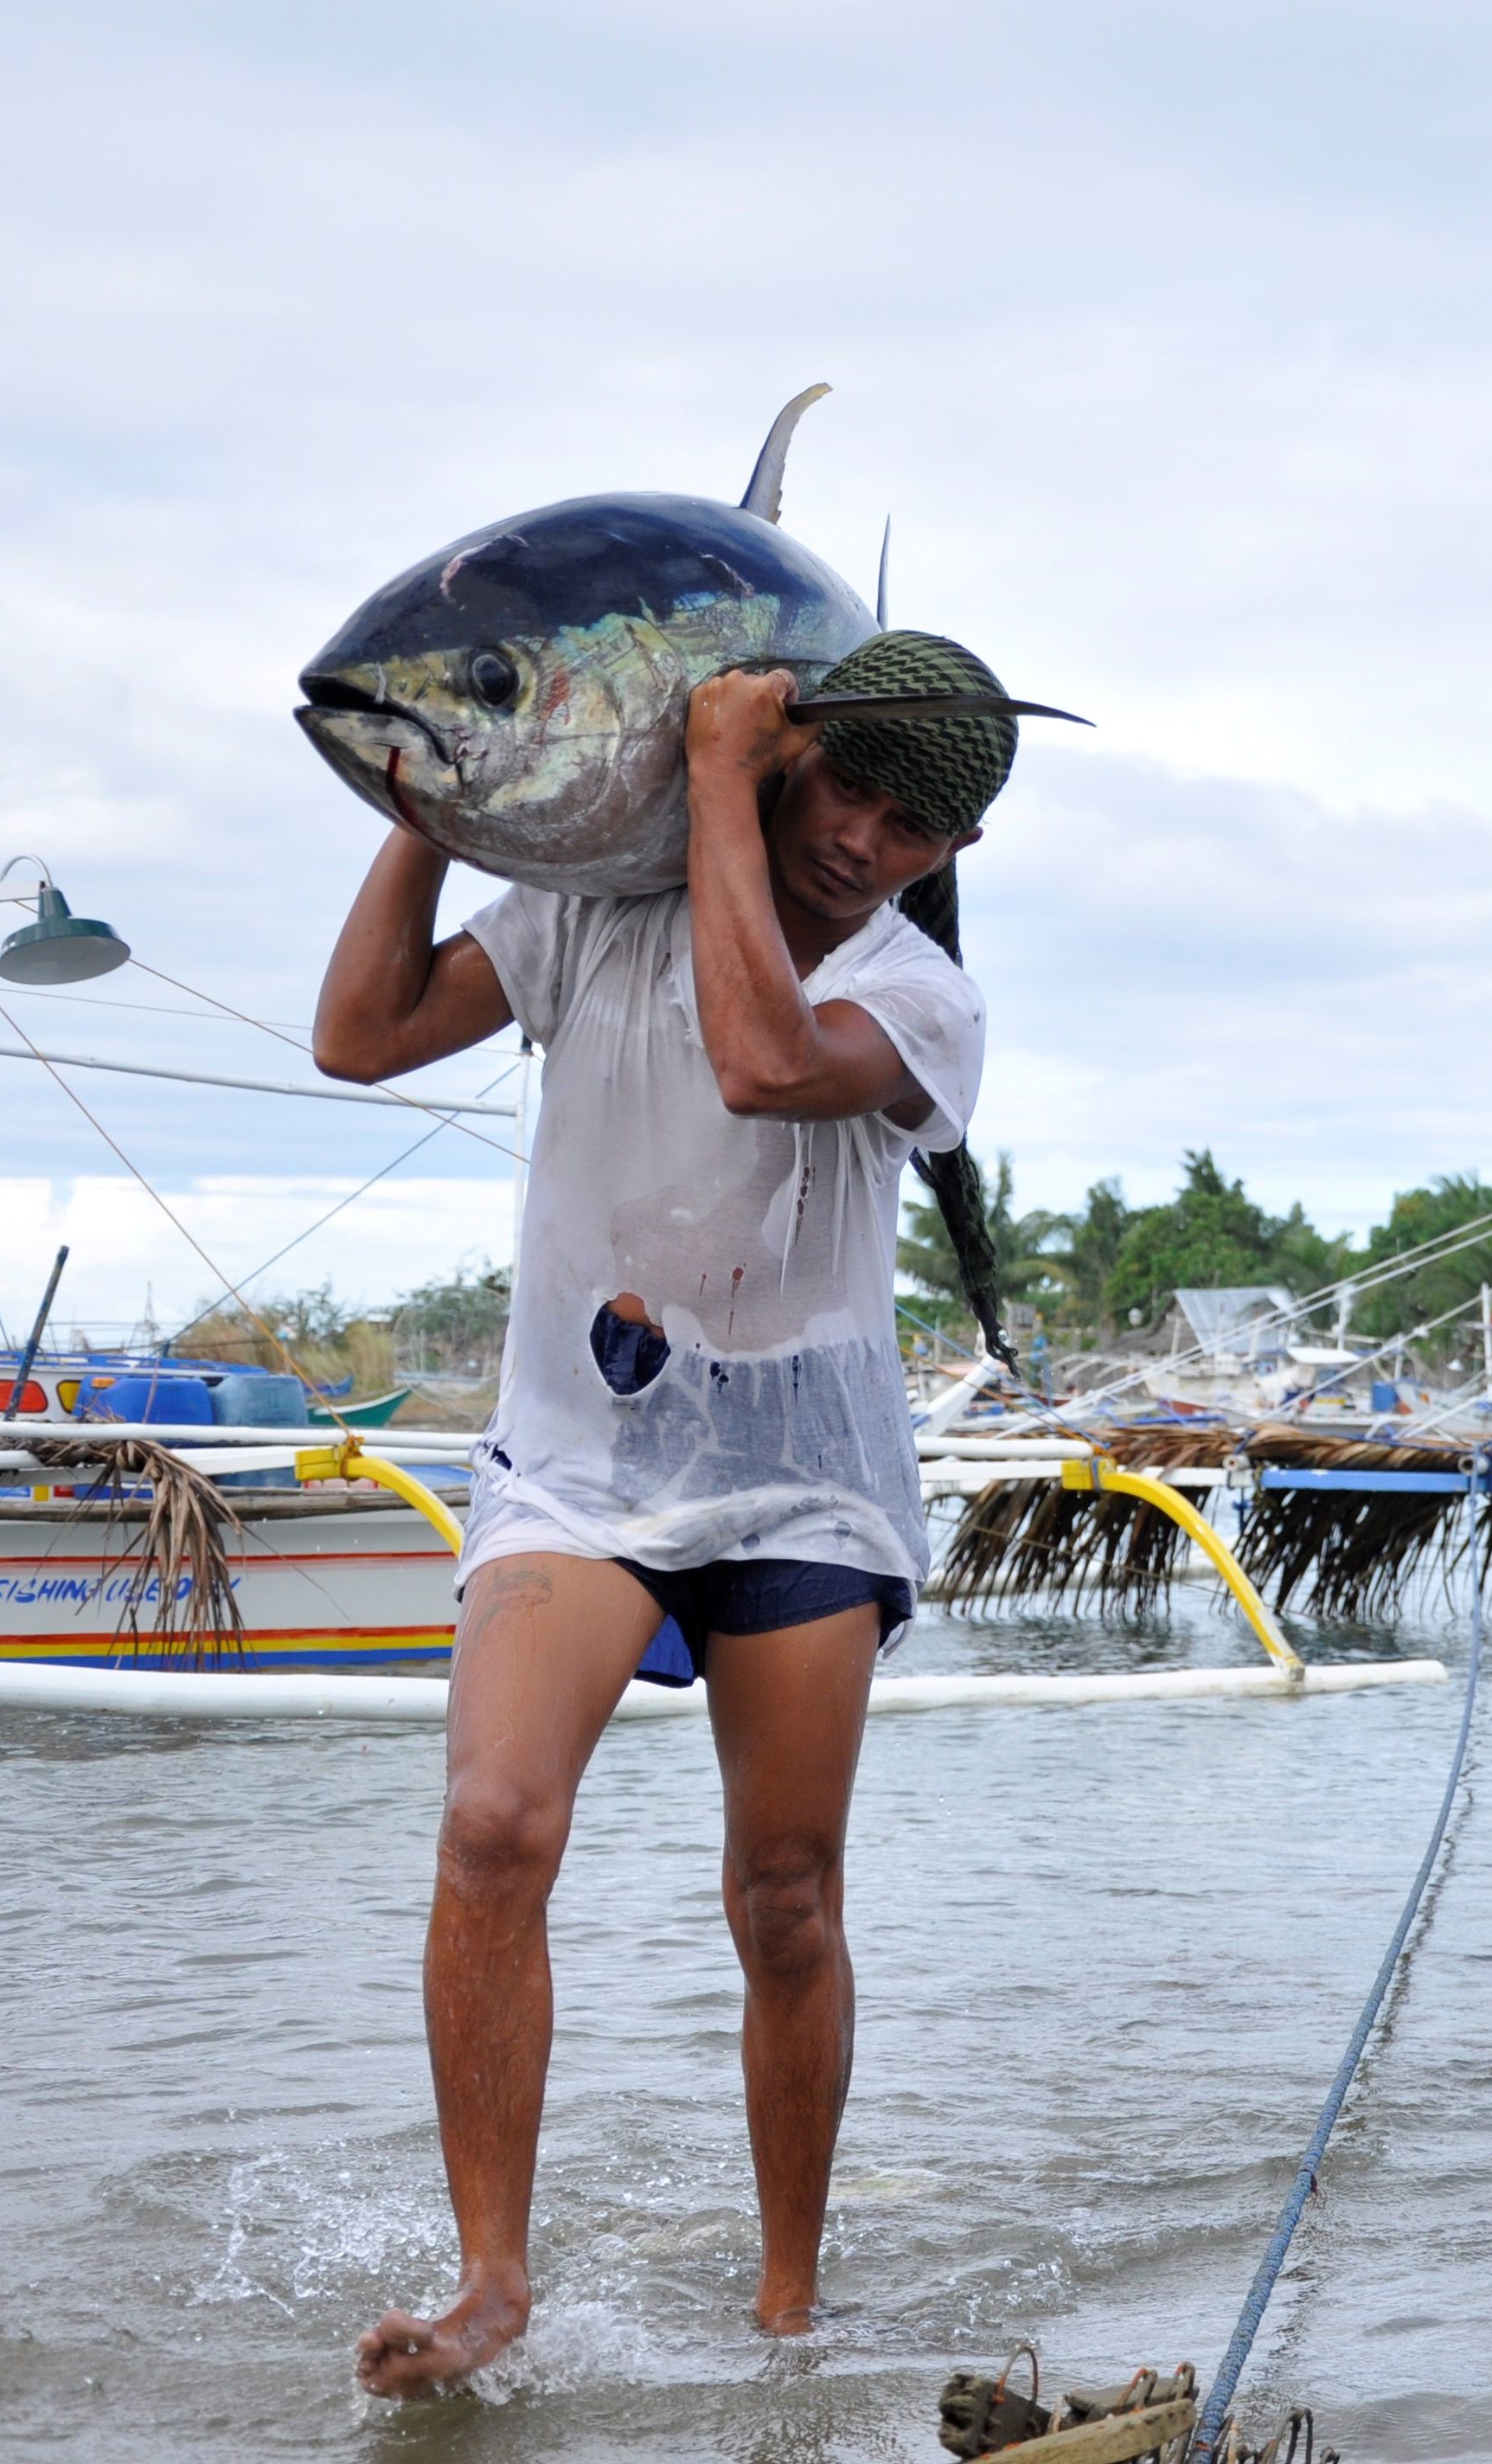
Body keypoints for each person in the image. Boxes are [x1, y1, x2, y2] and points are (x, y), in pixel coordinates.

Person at [311, 631, 1016, 2395]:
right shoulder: (590, 914)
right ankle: (488, 2278)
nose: (866, 838)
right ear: (796, 751)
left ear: (948, 861)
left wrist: (712, 774)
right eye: (847, 782)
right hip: (580, 1456)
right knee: (490, 1821)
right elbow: (358, 1037)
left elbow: (764, 1059)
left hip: (802, 1467)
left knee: (784, 1894)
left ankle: (787, 2294)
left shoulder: (919, 996)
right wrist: (443, 814)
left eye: (917, 829)